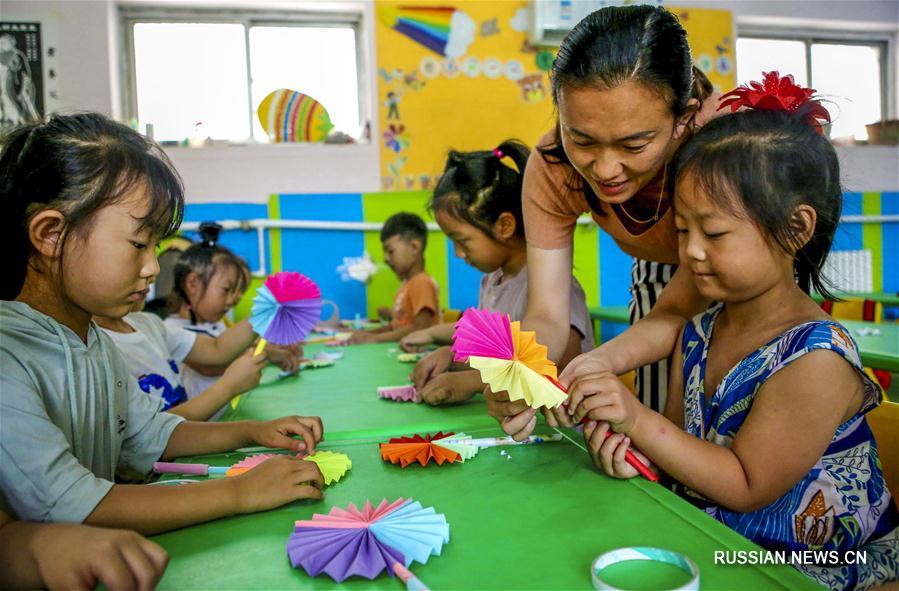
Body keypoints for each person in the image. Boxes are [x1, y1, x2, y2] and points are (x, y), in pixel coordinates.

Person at [567, 76, 899, 591]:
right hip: (722, 543)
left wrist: (635, 417)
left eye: (714, 232)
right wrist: (632, 449)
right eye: (682, 230)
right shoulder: (697, 333)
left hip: (813, 565)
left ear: (796, 228)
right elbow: (684, 451)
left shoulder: (817, 359)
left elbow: (745, 484)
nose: (691, 251)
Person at [0, 113, 324, 534]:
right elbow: (70, 504)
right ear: (50, 235)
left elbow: (152, 432)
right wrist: (240, 492)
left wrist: (253, 431)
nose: (153, 267)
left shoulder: (92, 341)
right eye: (139, 244)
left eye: (156, 246)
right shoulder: (9, 356)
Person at [487, 5, 724, 440]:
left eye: (635, 144)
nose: (606, 168)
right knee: (660, 425)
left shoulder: (721, 153)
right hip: (659, 272)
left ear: (684, 118)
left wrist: (599, 361)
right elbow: (548, 313)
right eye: (582, 139)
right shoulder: (553, 167)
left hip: (747, 279)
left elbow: (679, 310)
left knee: (725, 421)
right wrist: (520, 370)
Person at [401, 140, 593, 405]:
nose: (457, 253)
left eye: (463, 241)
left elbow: (558, 371)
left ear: (504, 225)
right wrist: (451, 357)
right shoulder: (490, 282)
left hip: (564, 433)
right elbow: (491, 354)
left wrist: (471, 382)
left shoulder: (556, 290)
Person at [349, 212, 440, 344]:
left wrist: (376, 338)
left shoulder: (421, 282)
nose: (386, 258)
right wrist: (367, 334)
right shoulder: (407, 284)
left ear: (414, 247)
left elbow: (421, 328)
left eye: (390, 251)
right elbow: (396, 326)